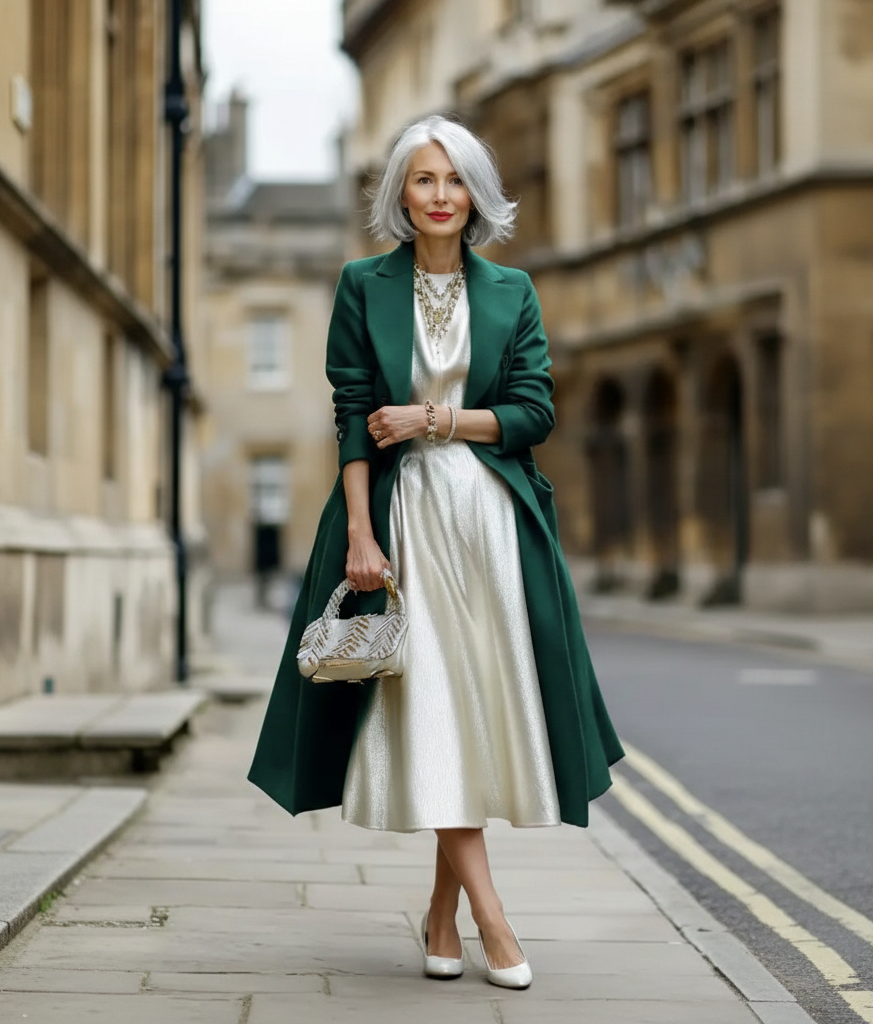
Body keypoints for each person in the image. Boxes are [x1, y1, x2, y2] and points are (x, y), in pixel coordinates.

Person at [249, 114, 624, 989]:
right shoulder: (361, 284)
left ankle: (442, 914)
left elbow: (535, 412)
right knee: (436, 704)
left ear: (476, 195)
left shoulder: (514, 291)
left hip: (494, 526)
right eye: (424, 180)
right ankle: (494, 922)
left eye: (455, 180)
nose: (441, 195)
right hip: (403, 519)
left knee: (478, 712)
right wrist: (360, 535)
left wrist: (437, 418)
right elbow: (351, 415)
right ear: (401, 196)